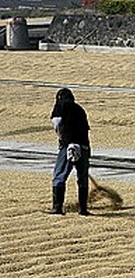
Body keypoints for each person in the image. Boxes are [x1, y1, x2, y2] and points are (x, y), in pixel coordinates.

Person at [49, 87, 91, 215]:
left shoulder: (60, 107)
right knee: (82, 177)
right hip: (84, 146)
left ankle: (57, 207)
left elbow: (57, 123)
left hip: (69, 146)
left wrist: (62, 138)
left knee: (59, 175)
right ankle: (83, 209)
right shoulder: (80, 109)